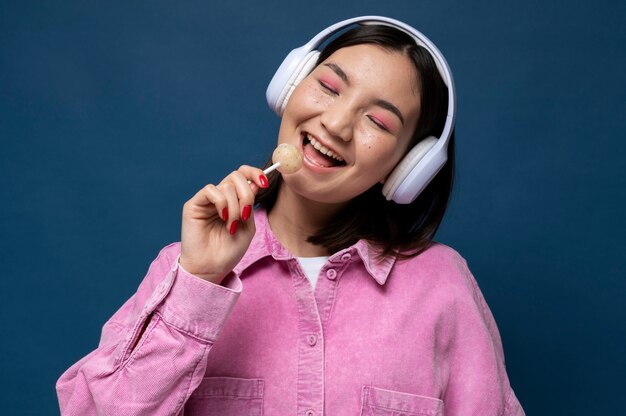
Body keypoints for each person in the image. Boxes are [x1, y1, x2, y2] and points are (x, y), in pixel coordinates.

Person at [56, 16, 525, 415]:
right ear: (290, 86)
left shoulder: (442, 287)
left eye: (377, 122)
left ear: (406, 169)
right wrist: (198, 284)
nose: (336, 125)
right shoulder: (185, 271)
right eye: (328, 87)